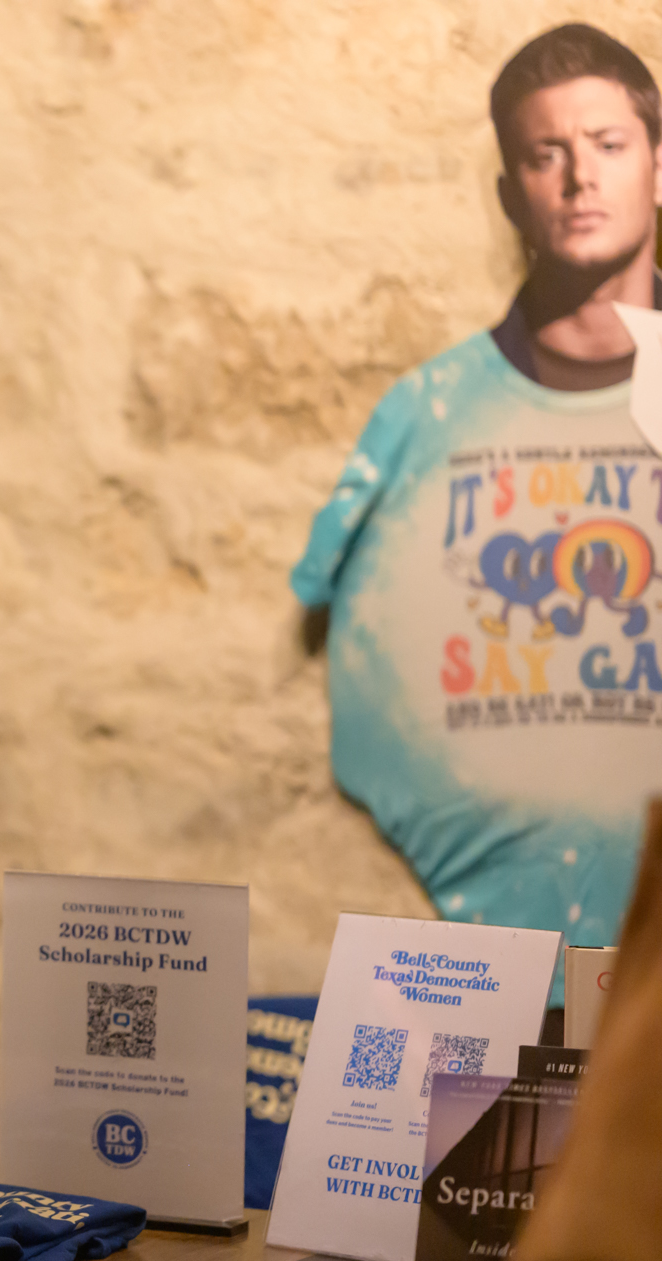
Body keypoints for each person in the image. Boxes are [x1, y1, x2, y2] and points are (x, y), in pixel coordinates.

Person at [292, 23, 662, 995]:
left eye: (607, 146)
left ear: (657, 169)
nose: (578, 178)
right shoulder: (427, 412)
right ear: (512, 197)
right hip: (488, 969)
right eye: (545, 155)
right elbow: (334, 610)